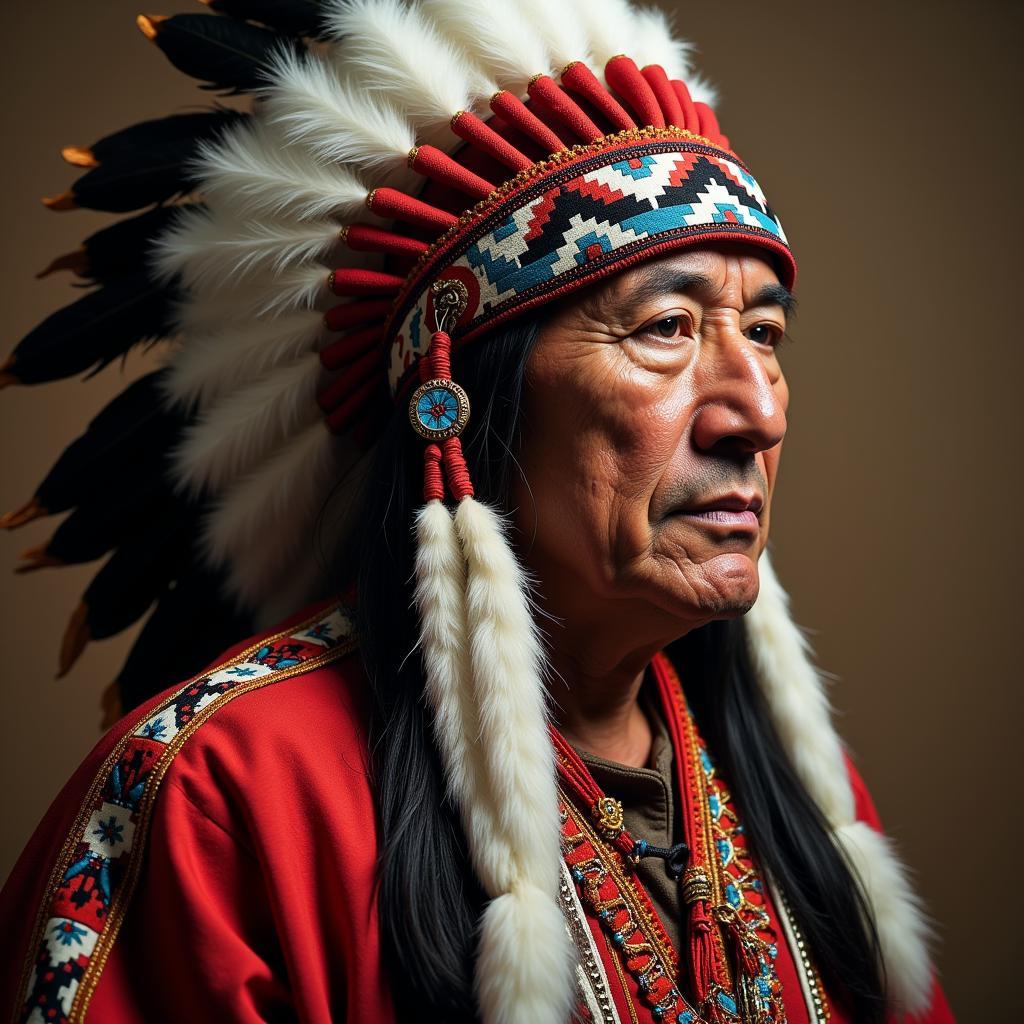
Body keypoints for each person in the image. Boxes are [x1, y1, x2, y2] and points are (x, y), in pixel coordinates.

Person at [0, 1, 956, 1022]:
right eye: (667, 328)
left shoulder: (801, 791)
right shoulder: (225, 795)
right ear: (460, 405)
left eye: (763, 332)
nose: (755, 411)